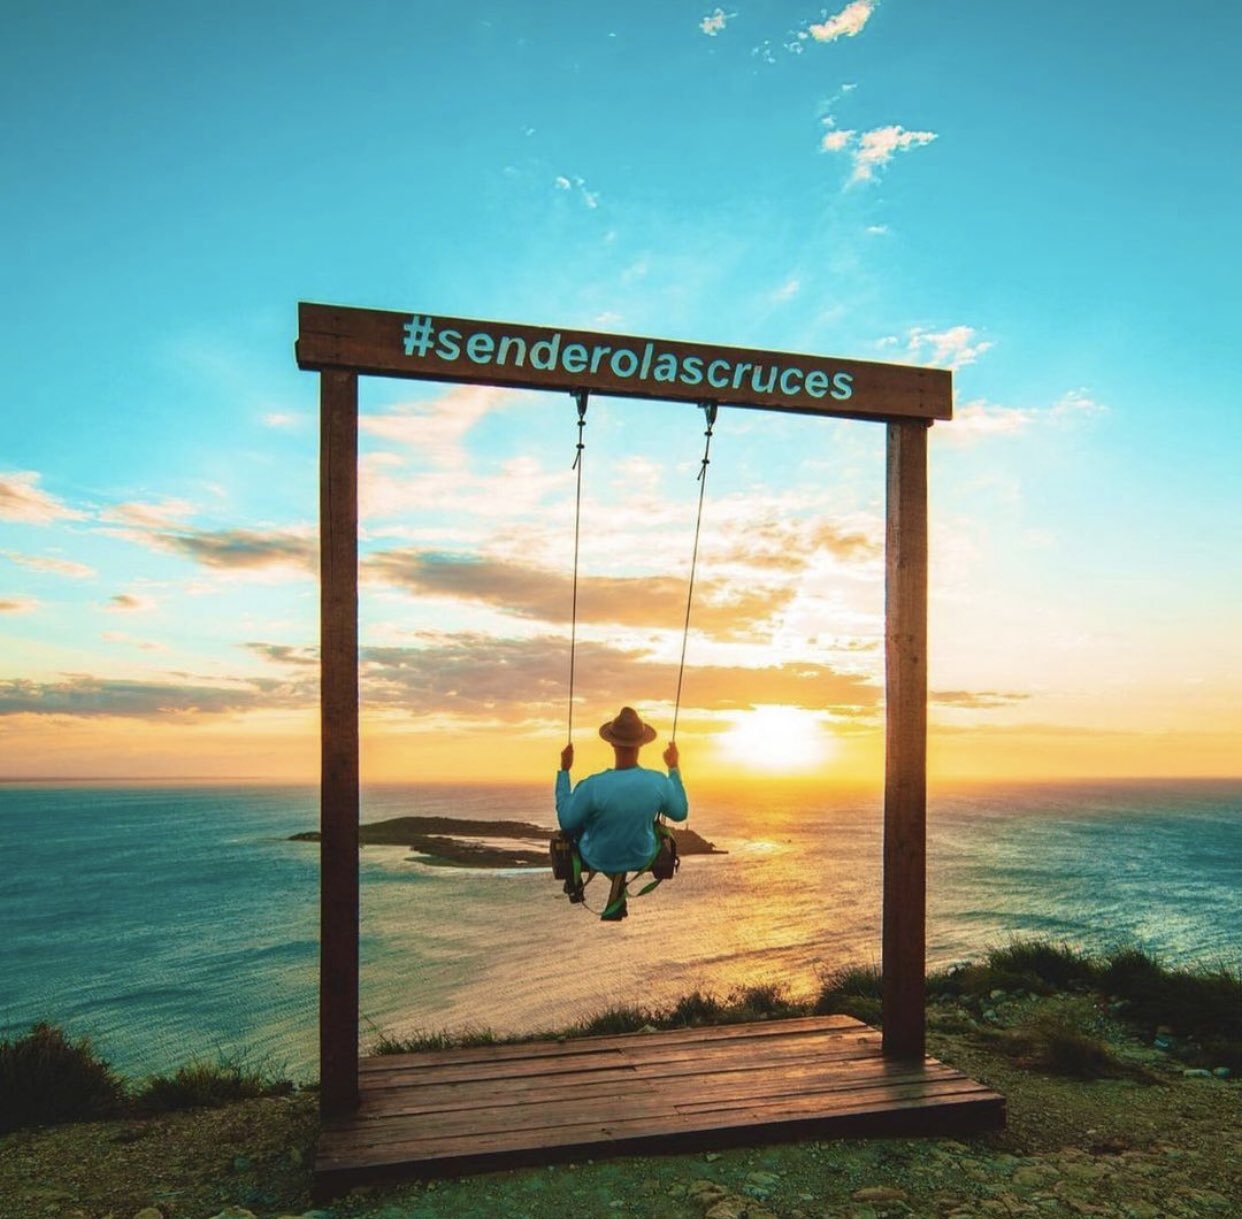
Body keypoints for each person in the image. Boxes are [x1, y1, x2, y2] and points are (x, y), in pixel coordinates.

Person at [556, 706, 689, 920]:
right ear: (642, 743)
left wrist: (564, 771)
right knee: (652, 826)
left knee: (577, 823)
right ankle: (619, 884)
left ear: (611, 742)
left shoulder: (592, 786)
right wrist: (673, 767)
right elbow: (680, 812)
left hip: (597, 857)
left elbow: (566, 820)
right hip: (641, 855)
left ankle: (581, 882)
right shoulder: (657, 782)